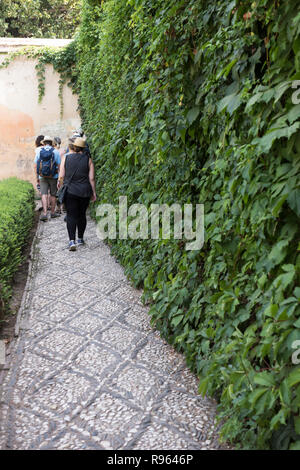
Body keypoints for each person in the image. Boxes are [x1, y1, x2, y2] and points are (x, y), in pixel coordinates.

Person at [57, 137, 96, 251]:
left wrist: (60, 184)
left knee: (71, 215)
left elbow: (61, 175)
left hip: (70, 191)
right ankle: (80, 238)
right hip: (84, 191)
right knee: (82, 215)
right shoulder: (88, 159)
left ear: (73, 147)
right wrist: (93, 192)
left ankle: (71, 241)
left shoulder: (66, 158)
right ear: (83, 148)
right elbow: (92, 178)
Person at [34, 135, 61, 221]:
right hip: (53, 176)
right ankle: (53, 213)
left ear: (44, 143)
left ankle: (45, 213)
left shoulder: (39, 151)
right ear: (51, 143)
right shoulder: (55, 151)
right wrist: (59, 178)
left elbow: (35, 166)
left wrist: (37, 177)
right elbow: (59, 166)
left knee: (44, 194)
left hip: (42, 176)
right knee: (53, 194)